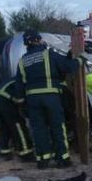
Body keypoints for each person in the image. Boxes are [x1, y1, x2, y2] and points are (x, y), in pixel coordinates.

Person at [14, 30, 79, 169]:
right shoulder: (49, 54)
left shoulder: (22, 61)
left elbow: (19, 85)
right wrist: (78, 60)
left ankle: (43, 160)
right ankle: (62, 159)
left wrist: (21, 103)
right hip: (51, 98)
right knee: (57, 126)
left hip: (32, 101)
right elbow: (68, 67)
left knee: (38, 129)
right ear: (38, 40)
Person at [0, 77, 33, 161]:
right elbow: (21, 100)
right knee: (18, 124)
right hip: (4, 98)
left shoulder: (19, 78)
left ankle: (5, 151)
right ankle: (26, 152)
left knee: (5, 125)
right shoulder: (28, 81)